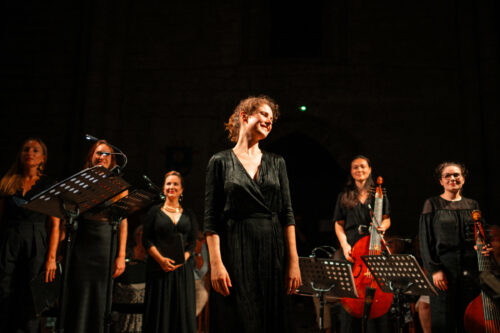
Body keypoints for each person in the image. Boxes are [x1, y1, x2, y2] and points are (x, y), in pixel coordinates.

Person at [204, 95, 302, 333]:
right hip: (235, 246)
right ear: (244, 116)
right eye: (264, 115)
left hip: (272, 248)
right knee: (239, 318)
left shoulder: (277, 162)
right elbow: (210, 218)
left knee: (272, 317)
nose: (269, 121)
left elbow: (287, 214)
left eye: (272, 118)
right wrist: (216, 264)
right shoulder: (219, 161)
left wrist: (294, 261)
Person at [65, 140, 128, 333]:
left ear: (112, 160)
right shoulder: (80, 182)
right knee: (79, 295)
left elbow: (123, 221)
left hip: (106, 243)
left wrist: (120, 256)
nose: (102, 157)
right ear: (91, 157)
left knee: (101, 297)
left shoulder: (118, 185)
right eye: (98, 153)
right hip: (82, 242)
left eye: (106, 154)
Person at [419, 161, 490, 332]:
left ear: (463, 179)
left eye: (456, 175)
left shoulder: (472, 205)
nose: (452, 178)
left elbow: (481, 234)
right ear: (441, 181)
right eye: (447, 176)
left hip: (470, 270)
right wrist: (435, 269)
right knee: (444, 320)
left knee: (467, 318)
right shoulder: (432, 204)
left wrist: (484, 246)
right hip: (443, 270)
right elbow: (425, 240)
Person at [0, 138, 60, 332]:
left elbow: (55, 224)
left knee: (30, 295)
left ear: (43, 157)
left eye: (35, 150)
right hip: (9, 239)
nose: (30, 153)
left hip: (36, 239)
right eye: (26, 149)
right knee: (4, 289)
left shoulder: (48, 184)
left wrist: (51, 258)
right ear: (20, 154)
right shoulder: (8, 181)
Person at [333, 155, 391, 333]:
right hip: (351, 249)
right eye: (355, 167)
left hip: (373, 246)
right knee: (350, 299)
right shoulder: (344, 196)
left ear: (370, 169)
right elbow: (338, 223)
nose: (360, 170)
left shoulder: (379, 194)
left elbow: (387, 219)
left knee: (375, 298)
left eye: (363, 167)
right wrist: (344, 245)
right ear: (351, 172)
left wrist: (382, 227)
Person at [142, 171, 198, 333]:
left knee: (182, 309)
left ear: (181, 190)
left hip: (182, 270)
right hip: (159, 269)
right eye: (168, 184)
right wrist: (161, 260)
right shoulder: (154, 212)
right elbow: (146, 240)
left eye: (175, 184)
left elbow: (193, 242)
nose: (171, 187)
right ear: (163, 188)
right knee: (159, 310)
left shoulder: (189, 214)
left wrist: (183, 259)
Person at [112, 225, 147, 333]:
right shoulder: (127, 251)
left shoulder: (151, 252)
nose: (140, 237)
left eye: (143, 235)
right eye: (138, 234)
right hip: (126, 284)